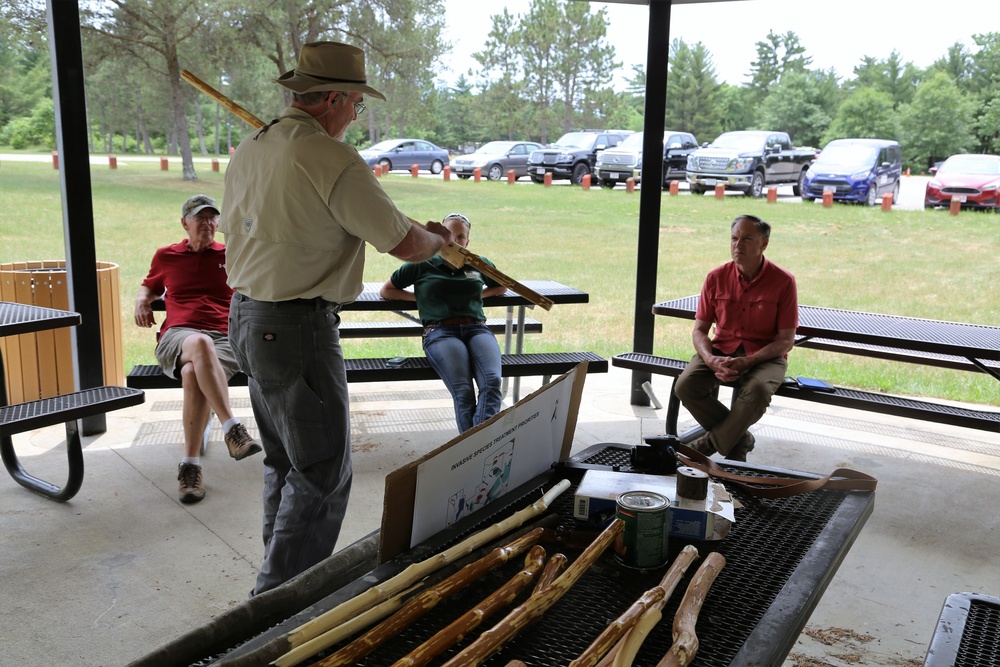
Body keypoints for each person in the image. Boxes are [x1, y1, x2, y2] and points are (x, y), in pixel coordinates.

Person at [219, 41, 453, 596]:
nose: (355, 115)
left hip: (249, 317)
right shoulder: (329, 157)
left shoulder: (253, 146)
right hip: (296, 327)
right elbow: (404, 243)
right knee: (323, 473)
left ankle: (277, 583)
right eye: (355, 104)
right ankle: (278, 607)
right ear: (331, 99)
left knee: (286, 461)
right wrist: (442, 238)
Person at [134, 194, 262, 505]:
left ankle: (190, 468)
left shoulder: (232, 254)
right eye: (199, 217)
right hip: (178, 336)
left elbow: (259, 285)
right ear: (185, 223)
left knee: (192, 374)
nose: (207, 223)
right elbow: (150, 284)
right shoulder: (167, 255)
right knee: (199, 344)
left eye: (212, 218)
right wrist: (142, 299)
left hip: (224, 339)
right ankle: (232, 427)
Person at [674, 214, 798, 461]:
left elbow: (786, 340)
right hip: (721, 350)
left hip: (766, 355)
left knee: (759, 389)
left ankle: (709, 444)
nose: (738, 245)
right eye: (734, 238)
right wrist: (709, 359)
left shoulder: (783, 281)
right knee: (685, 386)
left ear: (764, 244)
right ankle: (739, 439)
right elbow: (700, 329)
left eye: (747, 239)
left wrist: (749, 361)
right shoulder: (716, 277)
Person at [380, 213, 508, 433]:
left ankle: (477, 448)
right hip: (441, 332)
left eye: (461, 237)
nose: (455, 241)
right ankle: (478, 451)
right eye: (450, 235)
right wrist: (420, 299)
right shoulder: (422, 262)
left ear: (467, 242)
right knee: (464, 391)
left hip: (477, 328)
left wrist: (477, 297)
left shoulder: (477, 263)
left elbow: (502, 285)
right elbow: (387, 290)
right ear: (439, 236)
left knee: (492, 382)